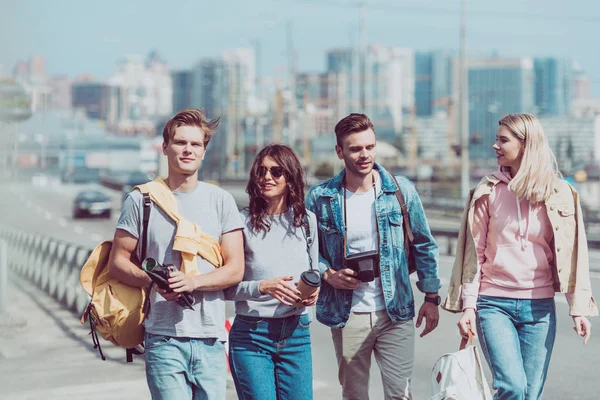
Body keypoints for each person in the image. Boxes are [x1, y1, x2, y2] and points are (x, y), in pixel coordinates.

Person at [443, 113, 598, 400]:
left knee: (530, 393)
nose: (495, 146)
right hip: (494, 304)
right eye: (496, 139)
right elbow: (472, 255)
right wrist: (468, 307)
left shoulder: (560, 193)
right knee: (512, 387)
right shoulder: (487, 192)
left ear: (526, 145)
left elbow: (573, 253)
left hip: (539, 309)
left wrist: (578, 308)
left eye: (503, 140)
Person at [108, 108, 245, 400]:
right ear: (165, 147)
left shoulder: (221, 201)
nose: (188, 150)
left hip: (211, 337)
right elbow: (117, 262)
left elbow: (235, 269)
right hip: (163, 337)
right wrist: (153, 282)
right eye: (181, 142)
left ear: (204, 151)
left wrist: (192, 283)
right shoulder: (141, 199)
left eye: (196, 144)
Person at [305, 113, 441, 400]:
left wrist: (431, 298)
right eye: (355, 148)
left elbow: (424, 245)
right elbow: (305, 250)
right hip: (347, 312)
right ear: (339, 151)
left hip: (396, 310)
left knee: (400, 395)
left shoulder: (400, 190)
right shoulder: (321, 197)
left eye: (369, 146)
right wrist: (328, 274)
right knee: (354, 395)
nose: (364, 155)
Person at [225, 144, 319, 400]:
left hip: (297, 333)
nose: (267, 177)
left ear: (291, 178)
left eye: (276, 171)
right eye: (262, 171)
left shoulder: (307, 221)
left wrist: (313, 293)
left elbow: (314, 271)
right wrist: (262, 287)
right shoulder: (239, 223)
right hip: (252, 336)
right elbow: (225, 288)